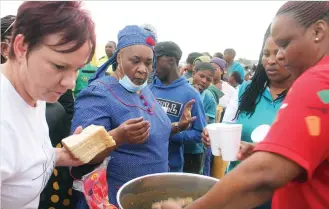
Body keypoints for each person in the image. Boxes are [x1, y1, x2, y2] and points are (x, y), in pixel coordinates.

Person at [161, 1, 329, 209]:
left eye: (284, 44)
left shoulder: (320, 82)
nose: (279, 56)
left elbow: (264, 177)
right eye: (268, 52)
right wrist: (265, 150)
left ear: (318, 31)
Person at [71, 25, 195, 208]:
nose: (142, 69)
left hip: (151, 197)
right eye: (135, 61)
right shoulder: (98, 94)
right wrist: (118, 137)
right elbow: (81, 154)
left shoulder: (143, 89)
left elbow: (150, 133)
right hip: (117, 197)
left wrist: (177, 126)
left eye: (148, 63)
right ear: (119, 57)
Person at [0, 1, 97, 208]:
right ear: (21, 47)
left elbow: (21, 159)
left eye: (77, 68)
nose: (70, 83)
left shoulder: (34, 90)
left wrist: (59, 155)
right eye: (59, 66)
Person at [221, 23, 292, 209]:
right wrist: (216, 137)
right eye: (266, 54)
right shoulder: (246, 90)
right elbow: (228, 126)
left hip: (282, 197)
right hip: (239, 188)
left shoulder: (306, 96)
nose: (271, 60)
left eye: (277, 53)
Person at [150, 41, 206, 172]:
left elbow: (199, 134)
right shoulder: (149, 89)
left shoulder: (191, 94)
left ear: (171, 60)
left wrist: (172, 134)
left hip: (172, 167)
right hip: (148, 163)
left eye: (156, 59)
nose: (152, 65)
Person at [191, 62, 217, 176]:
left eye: (208, 79)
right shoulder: (183, 89)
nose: (204, 81)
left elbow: (202, 124)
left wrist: (196, 98)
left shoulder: (209, 99)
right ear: (193, 73)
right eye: (201, 76)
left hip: (195, 149)